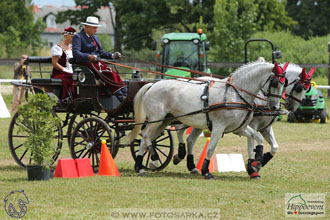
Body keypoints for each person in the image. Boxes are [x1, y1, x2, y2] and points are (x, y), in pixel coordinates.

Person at [72, 16, 127, 101]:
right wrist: (89, 56)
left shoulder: (95, 37)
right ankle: (121, 98)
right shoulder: (78, 37)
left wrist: (112, 55)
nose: (96, 30)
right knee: (110, 74)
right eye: (94, 28)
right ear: (87, 27)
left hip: (97, 63)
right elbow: (76, 53)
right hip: (86, 64)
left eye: (96, 28)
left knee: (115, 74)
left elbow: (101, 52)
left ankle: (126, 94)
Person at [51, 27, 77, 102]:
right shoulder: (57, 48)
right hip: (59, 73)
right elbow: (55, 63)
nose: (74, 39)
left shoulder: (73, 48)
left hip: (71, 71)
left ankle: (76, 98)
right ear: (65, 36)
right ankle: (65, 98)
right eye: (72, 37)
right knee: (67, 79)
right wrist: (65, 70)